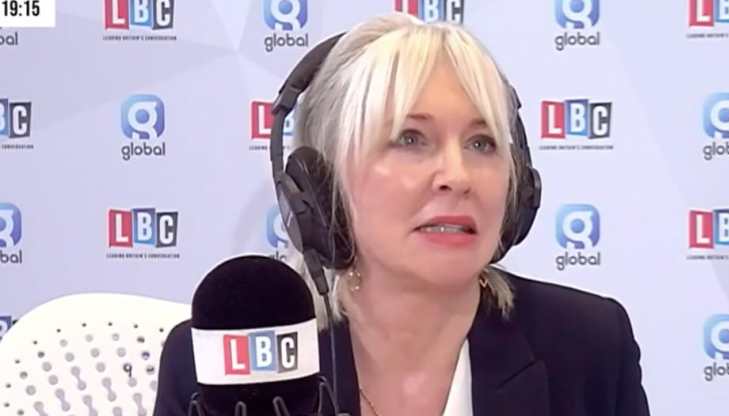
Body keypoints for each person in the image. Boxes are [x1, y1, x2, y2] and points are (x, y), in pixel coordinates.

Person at [154, 13, 650, 416]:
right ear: (322, 183)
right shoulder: (228, 362)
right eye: (410, 139)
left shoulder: (589, 346)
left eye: (482, 143)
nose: (457, 175)